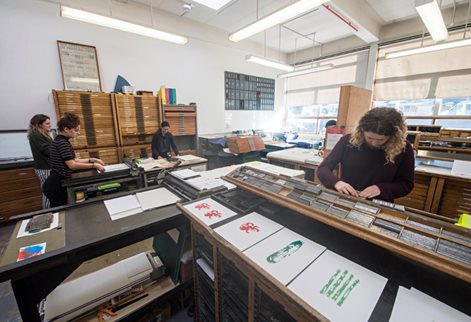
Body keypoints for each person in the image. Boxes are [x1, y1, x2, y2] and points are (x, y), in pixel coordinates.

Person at [317, 108, 414, 202]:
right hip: (347, 198)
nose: (374, 143)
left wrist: (382, 189)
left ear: (393, 136)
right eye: (369, 138)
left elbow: (406, 184)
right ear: (361, 131)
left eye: (381, 140)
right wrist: (336, 183)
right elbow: (323, 168)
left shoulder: (404, 148)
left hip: (379, 203)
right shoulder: (348, 141)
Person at [43, 113, 105, 207]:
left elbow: (72, 159)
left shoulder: (61, 140)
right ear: (66, 129)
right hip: (55, 184)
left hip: (57, 181)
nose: (78, 133)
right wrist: (94, 165)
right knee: (59, 211)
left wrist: (91, 159)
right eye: (76, 130)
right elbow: (72, 164)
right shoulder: (62, 142)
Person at [27, 114, 53, 209]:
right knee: (48, 192)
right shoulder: (36, 135)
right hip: (45, 168)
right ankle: (47, 213)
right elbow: (48, 150)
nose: (50, 125)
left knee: (51, 191)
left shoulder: (44, 135)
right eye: (47, 123)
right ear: (39, 124)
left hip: (48, 167)